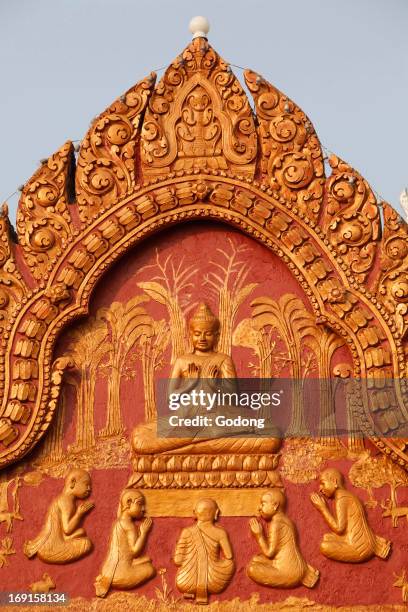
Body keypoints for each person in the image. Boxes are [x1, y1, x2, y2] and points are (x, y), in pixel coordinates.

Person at [132, 303, 280, 455]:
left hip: (217, 418)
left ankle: (189, 447)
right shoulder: (183, 361)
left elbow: (233, 398)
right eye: (197, 334)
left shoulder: (223, 360)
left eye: (208, 334)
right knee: (140, 438)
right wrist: (190, 384)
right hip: (186, 419)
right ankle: (200, 443)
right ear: (191, 335)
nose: (202, 338)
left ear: (217, 336)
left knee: (271, 436)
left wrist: (213, 385)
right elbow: (171, 399)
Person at [310, 468, 391, 562]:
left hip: (360, 548)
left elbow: (339, 529)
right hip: (360, 541)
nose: (320, 489)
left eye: (323, 483)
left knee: (324, 546)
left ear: (334, 481)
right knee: (327, 537)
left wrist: (322, 508)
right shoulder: (346, 496)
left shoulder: (342, 498)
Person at [247, 489, 319, 588]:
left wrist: (259, 535)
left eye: (263, 504)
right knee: (256, 559)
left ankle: (298, 577)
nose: (259, 508)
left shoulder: (276, 523)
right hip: (296, 566)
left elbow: (269, 553)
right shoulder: (286, 521)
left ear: (275, 505)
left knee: (252, 569)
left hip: (290, 572)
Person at [24, 469, 93, 564]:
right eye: (86, 484)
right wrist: (79, 513)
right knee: (86, 544)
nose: (89, 488)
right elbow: (67, 529)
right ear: (73, 482)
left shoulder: (65, 499)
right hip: (51, 549)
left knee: (81, 532)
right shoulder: (66, 501)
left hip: (51, 544)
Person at [95, 489, 155, 597]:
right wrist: (143, 533)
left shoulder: (119, 523)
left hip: (107, 570)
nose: (143, 509)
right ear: (128, 503)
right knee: (150, 569)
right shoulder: (129, 526)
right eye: (140, 504)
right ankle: (109, 582)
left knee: (147, 560)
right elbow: (135, 551)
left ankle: (103, 579)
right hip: (120, 574)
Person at [174, 498, 234, 604]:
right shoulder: (220, 533)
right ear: (216, 513)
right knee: (230, 564)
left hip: (186, 582)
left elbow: (177, 560)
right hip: (214, 582)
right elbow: (229, 555)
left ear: (195, 513)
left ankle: (194, 592)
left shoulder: (187, 532)